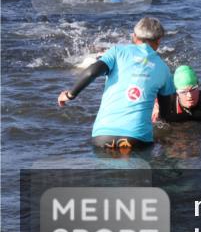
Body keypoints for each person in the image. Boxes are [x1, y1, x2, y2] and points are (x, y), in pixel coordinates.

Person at [57, 17, 175, 151]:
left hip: (103, 136)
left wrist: (70, 95)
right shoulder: (163, 68)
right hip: (137, 139)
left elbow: (91, 72)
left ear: (134, 36)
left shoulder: (117, 51)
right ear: (159, 40)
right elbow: (166, 114)